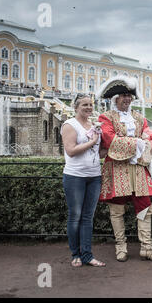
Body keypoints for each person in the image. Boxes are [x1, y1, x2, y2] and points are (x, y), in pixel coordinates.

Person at [96, 75, 152, 262]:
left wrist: (145, 139)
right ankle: (121, 247)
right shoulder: (105, 117)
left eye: (130, 95)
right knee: (117, 209)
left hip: (137, 168)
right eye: (123, 95)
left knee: (145, 206)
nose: (127, 98)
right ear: (115, 98)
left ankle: (147, 247)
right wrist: (139, 141)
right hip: (116, 168)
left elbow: (150, 136)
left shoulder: (139, 117)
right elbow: (110, 140)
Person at [61, 93, 106, 267]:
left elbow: (98, 153)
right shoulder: (69, 125)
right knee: (75, 216)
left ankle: (87, 255)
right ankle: (75, 254)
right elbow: (71, 150)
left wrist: (114, 148)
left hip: (94, 176)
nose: (88, 107)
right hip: (75, 176)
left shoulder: (94, 125)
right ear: (76, 107)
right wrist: (93, 140)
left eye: (90, 104)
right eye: (84, 105)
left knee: (88, 217)